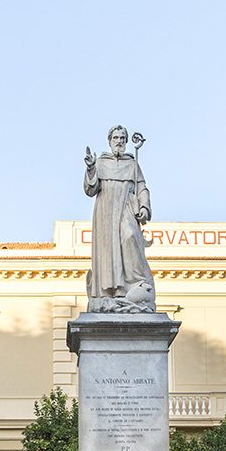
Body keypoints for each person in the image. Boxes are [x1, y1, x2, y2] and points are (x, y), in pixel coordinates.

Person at [83, 125, 155, 313]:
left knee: (130, 236)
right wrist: (91, 168)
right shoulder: (100, 163)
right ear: (110, 140)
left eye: (123, 138)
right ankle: (111, 292)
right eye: (116, 138)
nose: (119, 141)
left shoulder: (132, 164)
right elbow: (90, 190)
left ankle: (136, 283)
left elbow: (142, 187)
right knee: (108, 249)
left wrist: (144, 206)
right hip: (106, 212)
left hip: (126, 208)